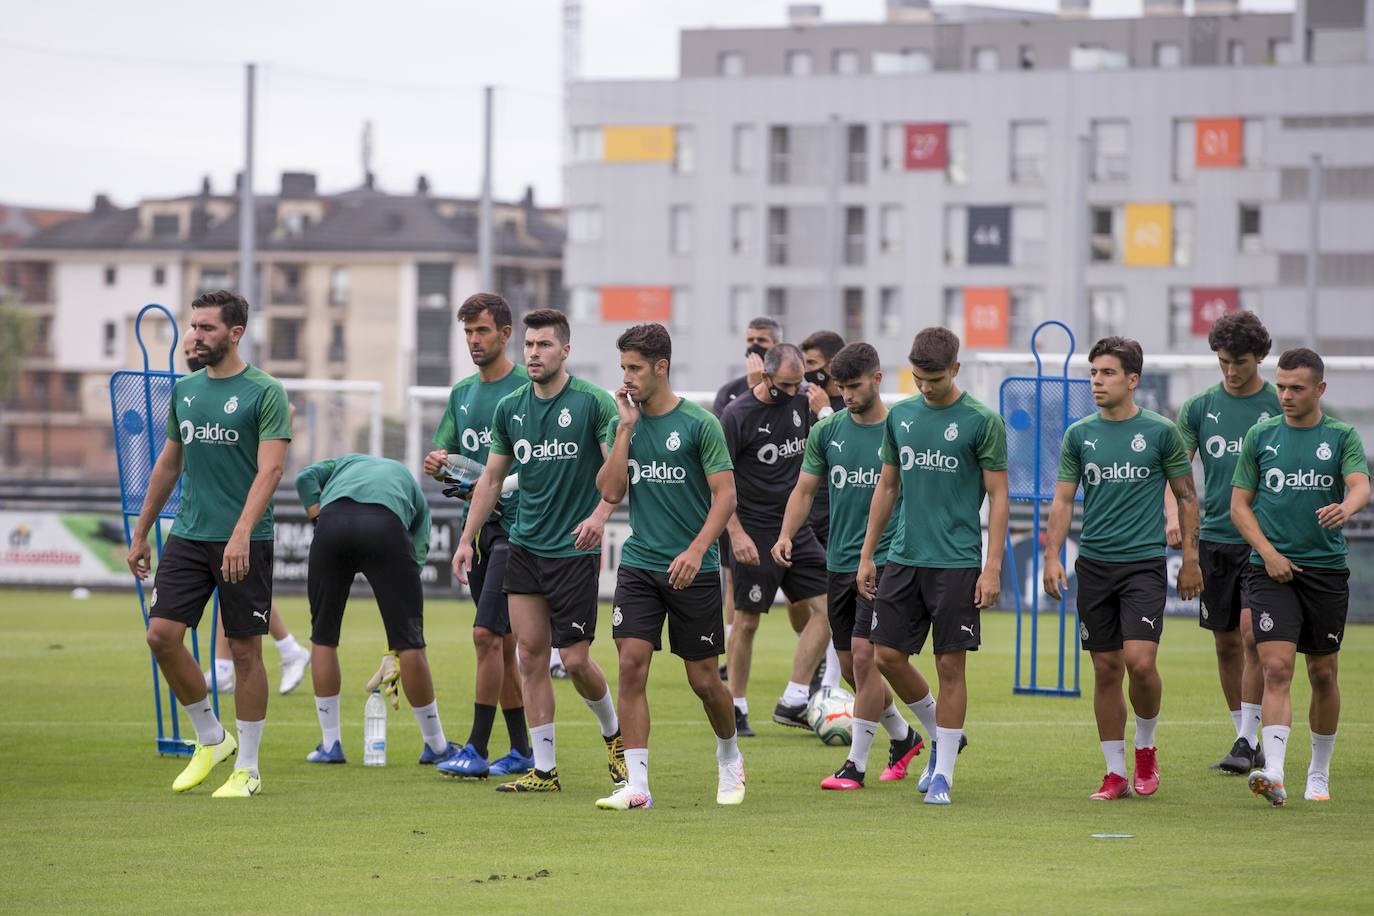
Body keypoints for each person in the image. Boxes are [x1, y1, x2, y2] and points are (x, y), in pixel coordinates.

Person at [452, 308, 626, 793]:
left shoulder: (593, 403)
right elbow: (490, 479)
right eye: (529, 345)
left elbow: (617, 472)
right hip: (523, 545)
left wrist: (599, 517)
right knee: (529, 655)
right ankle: (544, 770)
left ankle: (614, 734)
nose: (533, 353)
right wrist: (468, 539)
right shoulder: (511, 407)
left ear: (565, 351)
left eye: (544, 345)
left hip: (572, 551)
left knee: (573, 661)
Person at [126, 289, 290, 798]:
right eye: (193, 326)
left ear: (235, 334)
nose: (194, 336)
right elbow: (169, 464)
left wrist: (241, 532)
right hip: (189, 537)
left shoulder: (266, 392)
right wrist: (141, 530)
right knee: (161, 637)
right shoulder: (186, 390)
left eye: (206, 328)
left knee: (244, 652)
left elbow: (272, 469)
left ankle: (250, 767)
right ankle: (210, 738)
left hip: (246, 539)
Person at [593, 323, 746, 809]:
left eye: (635, 368)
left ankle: (729, 755)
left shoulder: (701, 425)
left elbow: (726, 496)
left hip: (693, 569)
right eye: (623, 368)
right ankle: (637, 786)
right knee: (630, 665)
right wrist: (623, 429)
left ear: (661, 367)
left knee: (703, 680)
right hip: (639, 564)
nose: (628, 377)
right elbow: (611, 492)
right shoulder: (626, 423)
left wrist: (699, 549)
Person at [1044, 336, 1202, 802]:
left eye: (1107, 373)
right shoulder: (1079, 434)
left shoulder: (1160, 432)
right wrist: (1053, 555)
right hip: (1094, 565)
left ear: (1132, 380)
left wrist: (1190, 559)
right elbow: (1064, 500)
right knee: (1107, 668)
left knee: (1140, 662)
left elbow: (1188, 497)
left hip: (1143, 565)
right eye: (1093, 372)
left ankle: (1146, 746)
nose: (1097, 381)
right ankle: (1114, 773)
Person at [858, 328, 1009, 806]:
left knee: (949, 665)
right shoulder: (900, 416)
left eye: (936, 379)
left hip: (958, 562)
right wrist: (867, 554)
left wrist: (993, 567)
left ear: (956, 370)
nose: (926, 387)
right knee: (886, 657)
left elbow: (1000, 496)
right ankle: (940, 733)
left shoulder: (982, 421)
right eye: (920, 379)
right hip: (902, 557)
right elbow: (887, 487)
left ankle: (943, 772)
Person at [773, 342, 924, 791]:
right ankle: (903, 735)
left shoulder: (902, 428)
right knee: (854, 666)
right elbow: (803, 491)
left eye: (855, 387)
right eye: (841, 388)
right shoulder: (827, 431)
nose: (847, 396)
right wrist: (785, 534)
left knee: (866, 657)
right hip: (837, 562)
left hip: (885, 563)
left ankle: (854, 765)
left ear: (877, 380)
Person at [1231, 348, 1369, 807]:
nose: (1286, 395)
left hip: (1326, 571)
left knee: (1323, 672)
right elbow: (1239, 505)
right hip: (1271, 570)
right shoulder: (1260, 436)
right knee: (1276, 667)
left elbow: (1360, 485)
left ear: (1320, 390)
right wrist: (1267, 553)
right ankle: (1273, 770)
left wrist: (1346, 508)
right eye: (1281, 386)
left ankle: (1319, 772)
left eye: (1296, 388)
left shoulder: (1342, 436)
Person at [421, 293, 534, 779]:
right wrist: (436, 463)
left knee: (486, 636)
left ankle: (476, 748)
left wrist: (493, 485)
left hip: (519, 531)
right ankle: (523, 751)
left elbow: (542, 464)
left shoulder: (529, 389)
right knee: (501, 646)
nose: (473, 340)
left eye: (482, 331)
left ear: (505, 334)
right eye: (467, 332)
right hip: (481, 533)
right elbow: (450, 465)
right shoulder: (462, 394)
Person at [1166, 311, 1281, 774]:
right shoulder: (1198, 408)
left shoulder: (1278, 406)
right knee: (1226, 643)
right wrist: (1174, 515)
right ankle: (1243, 737)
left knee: (1254, 636)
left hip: (1261, 541)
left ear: (1260, 359)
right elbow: (1176, 471)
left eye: (1241, 362)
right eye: (1223, 362)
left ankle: (1246, 739)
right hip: (1214, 538)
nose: (1231, 371)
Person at [295, 454, 460, 767]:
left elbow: (304, 478)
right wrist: (395, 647)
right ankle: (436, 746)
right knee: (412, 642)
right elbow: (417, 560)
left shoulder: (340, 464)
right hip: (385, 526)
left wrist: (320, 521)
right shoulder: (414, 490)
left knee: (323, 637)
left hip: (331, 523)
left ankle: (331, 745)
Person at [181, 337, 310, 697]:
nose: (193, 352)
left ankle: (286, 650)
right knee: (230, 586)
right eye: (188, 349)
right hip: (207, 510)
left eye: (197, 345)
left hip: (246, 507)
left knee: (239, 588)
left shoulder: (259, 389)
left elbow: (286, 417)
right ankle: (242, 662)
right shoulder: (193, 392)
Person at [719, 344, 831, 735]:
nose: (794, 390)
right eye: (786, 384)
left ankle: (795, 698)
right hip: (755, 531)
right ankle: (735, 705)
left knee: (830, 610)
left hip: (795, 531)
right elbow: (717, 483)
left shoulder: (804, 405)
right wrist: (735, 535)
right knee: (747, 623)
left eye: (799, 382)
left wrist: (823, 412)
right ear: (765, 378)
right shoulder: (737, 416)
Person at [713, 316, 783, 687]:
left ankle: (818, 667)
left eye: (763, 340)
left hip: (784, 517)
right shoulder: (731, 393)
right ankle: (729, 654)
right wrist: (753, 390)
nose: (755, 346)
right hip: (740, 511)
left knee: (810, 604)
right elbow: (720, 451)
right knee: (733, 584)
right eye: (750, 339)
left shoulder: (790, 391)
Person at [799, 330, 850, 693]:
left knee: (836, 609)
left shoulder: (851, 406)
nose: (807, 373)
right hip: (809, 518)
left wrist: (825, 412)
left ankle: (824, 687)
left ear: (831, 366)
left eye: (813, 365)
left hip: (842, 520)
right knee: (804, 611)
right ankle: (821, 677)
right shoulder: (800, 403)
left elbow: (843, 449)